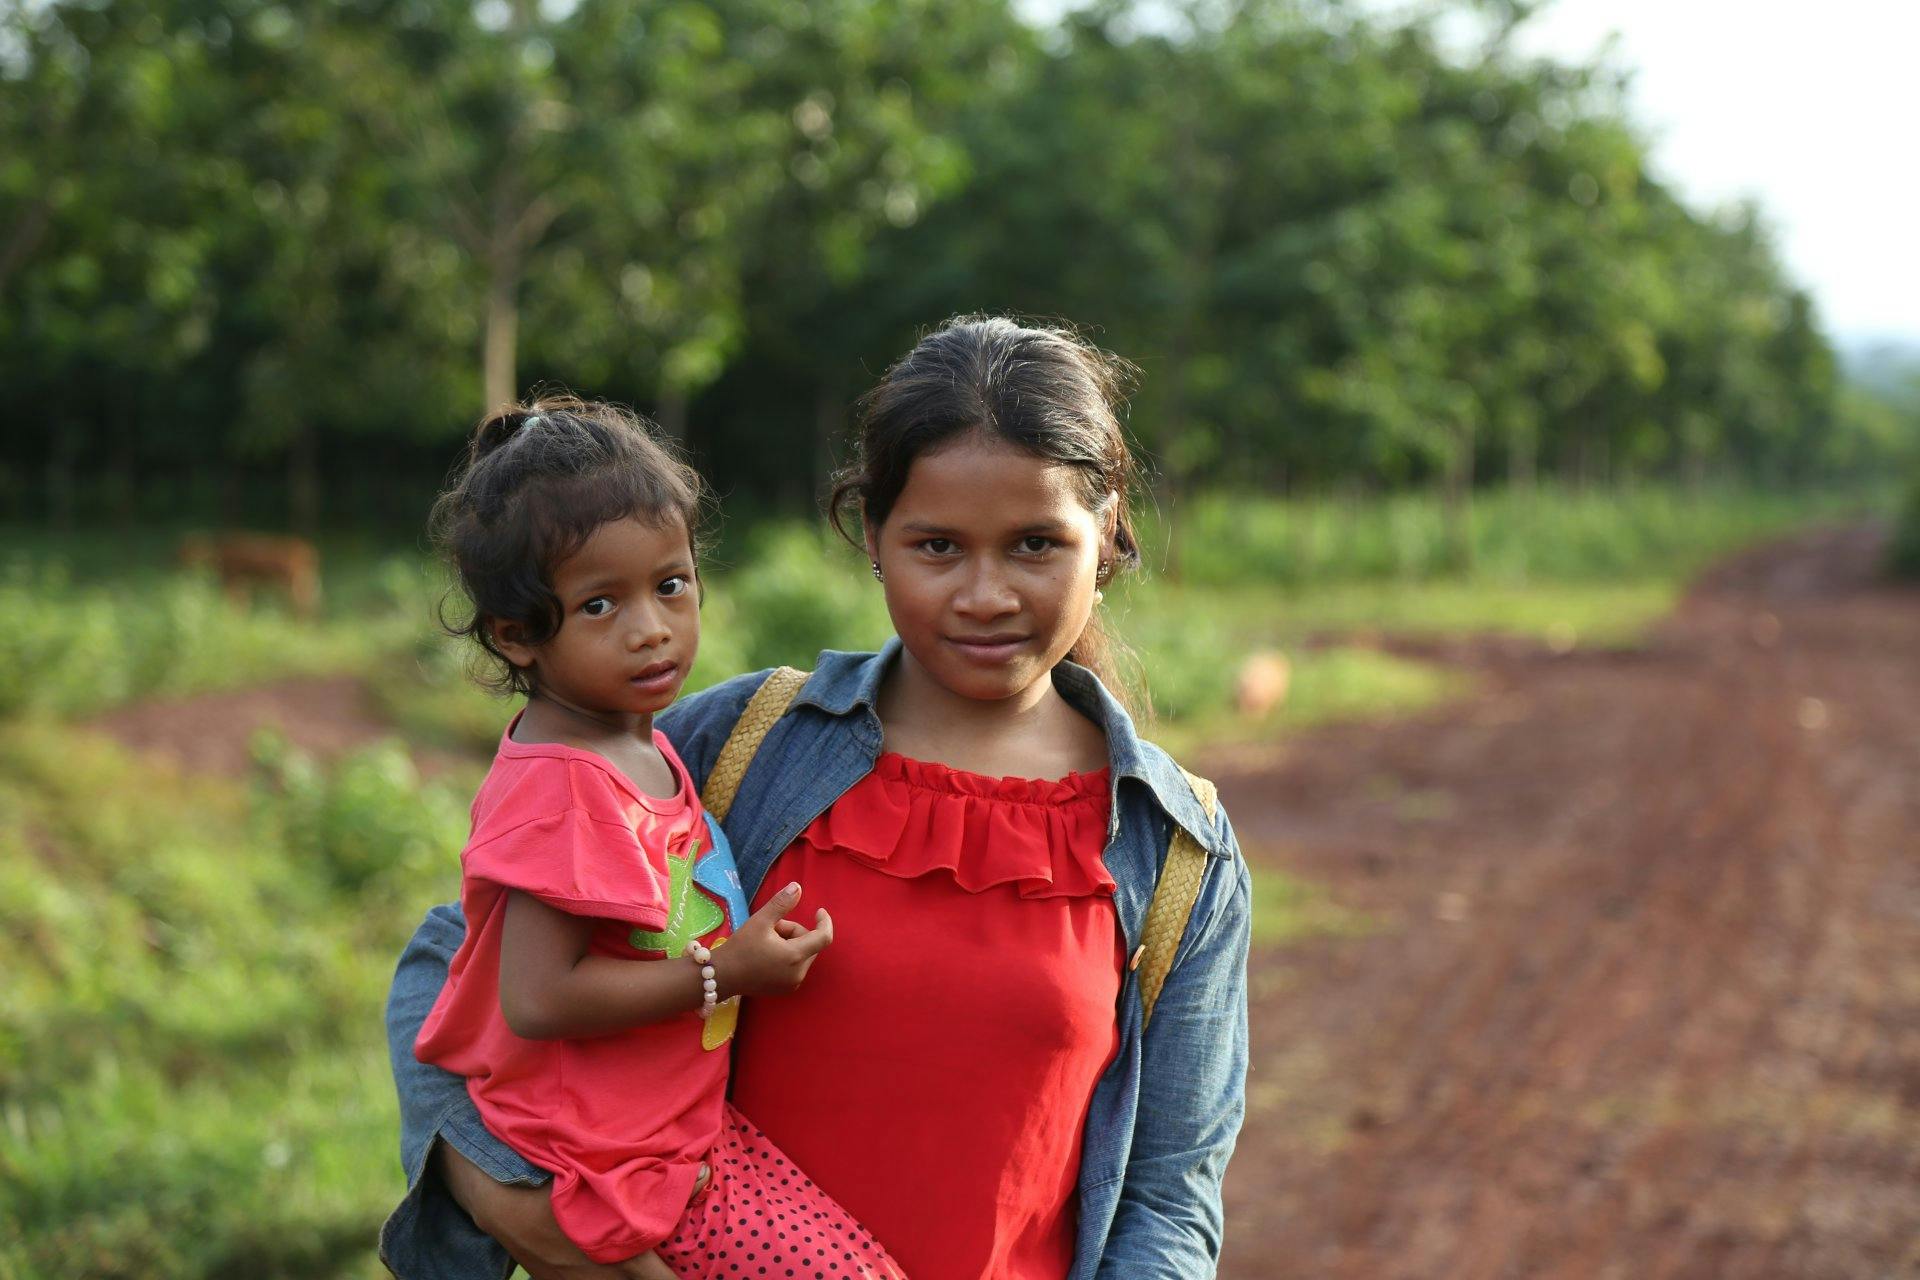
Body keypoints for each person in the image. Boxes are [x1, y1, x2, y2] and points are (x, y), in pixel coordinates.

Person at [383, 318, 1251, 1280]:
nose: (986, 594)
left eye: (1037, 545)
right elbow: (450, 974)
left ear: (1108, 533)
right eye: (937, 547)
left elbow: (1169, 1200)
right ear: (871, 534)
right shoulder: (737, 748)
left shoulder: (1175, 854)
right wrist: (520, 1208)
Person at [405, 394, 905, 1279]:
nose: (652, 628)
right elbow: (537, 999)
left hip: (670, 1127)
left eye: (670, 585)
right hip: (613, 1161)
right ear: (517, 636)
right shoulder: (569, 784)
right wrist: (726, 972)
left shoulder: (633, 741)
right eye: (601, 606)